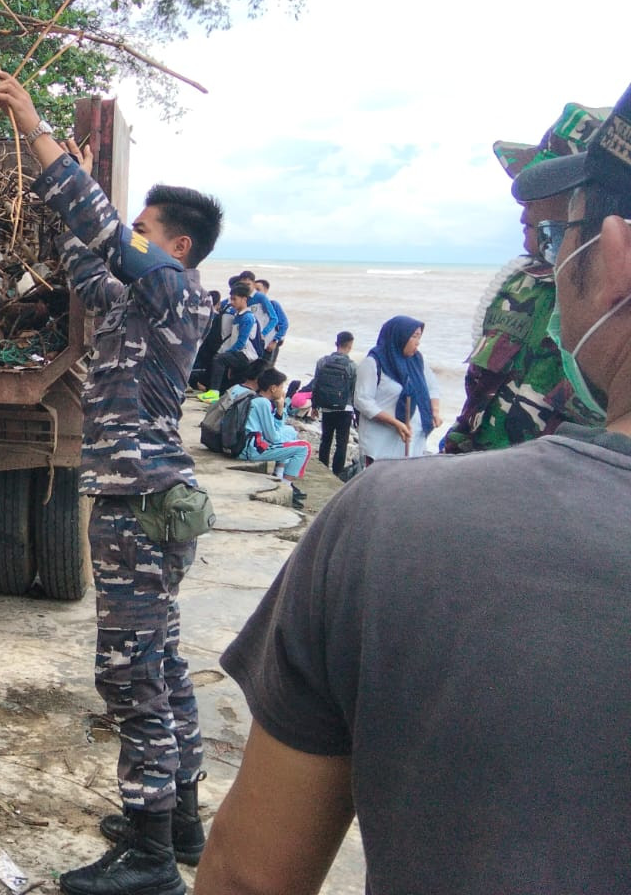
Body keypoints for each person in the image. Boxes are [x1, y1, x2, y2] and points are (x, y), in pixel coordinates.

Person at [196, 84, 631, 895]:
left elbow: (252, 874)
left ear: (607, 251)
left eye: (559, 214)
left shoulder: (398, 529)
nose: (530, 220)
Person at [0, 72, 222, 895]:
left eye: (145, 229)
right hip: (144, 505)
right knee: (158, 663)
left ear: (177, 247)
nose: (131, 235)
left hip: (143, 504)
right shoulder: (135, 305)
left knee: (128, 675)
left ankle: (150, 858)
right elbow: (87, 254)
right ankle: (179, 820)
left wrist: (35, 128)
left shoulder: (178, 296)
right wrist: (64, 200)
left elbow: (97, 223)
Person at [444, 103, 608, 453]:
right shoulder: (519, 284)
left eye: (543, 188)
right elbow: (473, 409)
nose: (524, 206)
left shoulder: (614, 304)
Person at [353, 316, 441, 462]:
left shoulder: (418, 361)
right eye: (414, 336)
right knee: (382, 480)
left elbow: (432, 387)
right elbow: (362, 400)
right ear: (400, 336)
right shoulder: (374, 362)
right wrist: (394, 422)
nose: (418, 343)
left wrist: (435, 412)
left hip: (413, 439)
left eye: (419, 337)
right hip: (382, 439)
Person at [237, 368, 311, 509]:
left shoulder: (255, 398)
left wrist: (279, 409)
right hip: (252, 449)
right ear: (273, 388)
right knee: (304, 447)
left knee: (289, 433)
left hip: (246, 445)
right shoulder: (263, 403)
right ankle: (286, 486)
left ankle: (280, 474)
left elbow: (274, 428)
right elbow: (273, 437)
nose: (282, 390)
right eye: (282, 386)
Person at [311, 331, 357, 477]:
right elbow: (354, 390)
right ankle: (337, 473)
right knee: (341, 443)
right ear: (350, 345)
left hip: (326, 406)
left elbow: (315, 384)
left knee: (326, 439)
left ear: (336, 343)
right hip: (345, 408)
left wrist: (314, 406)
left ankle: (322, 470)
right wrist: (357, 412)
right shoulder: (352, 366)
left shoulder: (322, 362)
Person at [207, 284, 259, 394]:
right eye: (231, 299)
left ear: (244, 299)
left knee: (219, 358)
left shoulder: (247, 317)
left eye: (234, 299)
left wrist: (227, 353)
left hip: (247, 355)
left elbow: (241, 343)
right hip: (240, 353)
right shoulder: (238, 315)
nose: (231, 302)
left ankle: (214, 392)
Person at [248, 279, 288, 364]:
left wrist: (275, 341)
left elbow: (284, 324)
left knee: (267, 369)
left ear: (266, 291)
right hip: (257, 344)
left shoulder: (273, 304)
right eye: (254, 290)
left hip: (270, 344)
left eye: (258, 289)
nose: (256, 292)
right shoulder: (252, 305)